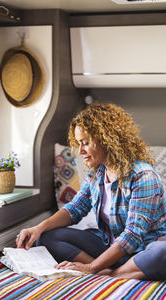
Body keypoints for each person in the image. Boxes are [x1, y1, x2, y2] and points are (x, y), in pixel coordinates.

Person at [16, 103, 166, 281]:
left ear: (107, 140)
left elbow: (132, 236)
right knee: (46, 237)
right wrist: (38, 228)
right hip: (109, 248)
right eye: (79, 143)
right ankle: (112, 271)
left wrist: (91, 267)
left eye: (86, 143)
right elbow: (75, 208)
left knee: (162, 252)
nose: (80, 151)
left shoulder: (142, 175)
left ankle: (107, 273)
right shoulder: (97, 174)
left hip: (142, 251)